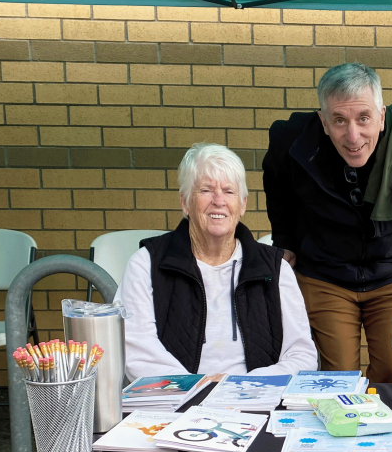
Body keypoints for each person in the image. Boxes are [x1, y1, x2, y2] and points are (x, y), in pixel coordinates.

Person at [262, 62, 392, 383]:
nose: (353, 136)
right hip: (325, 275)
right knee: (337, 377)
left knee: (391, 375)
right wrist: (283, 239)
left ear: (382, 116)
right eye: (339, 120)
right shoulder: (293, 143)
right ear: (323, 121)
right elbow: (276, 183)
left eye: (364, 118)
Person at [116, 142, 317, 381]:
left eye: (229, 191)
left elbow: (301, 354)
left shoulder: (275, 268)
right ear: (185, 202)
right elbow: (136, 350)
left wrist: (244, 386)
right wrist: (197, 386)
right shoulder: (147, 263)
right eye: (206, 190)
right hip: (175, 403)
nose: (219, 200)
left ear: (243, 204)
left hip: (255, 399)